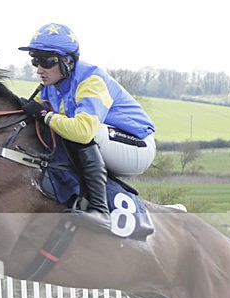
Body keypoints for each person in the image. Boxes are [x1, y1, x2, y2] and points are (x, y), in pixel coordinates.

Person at [19, 23, 156, 231]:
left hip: (137, 146)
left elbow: (82, 132)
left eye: (46, 61)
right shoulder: (50, 87)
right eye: (35, 61)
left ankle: (100, 211)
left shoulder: (91, 80)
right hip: (107, 141)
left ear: (67, 61)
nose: (39, 69)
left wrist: (44, 114)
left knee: (78, 132)